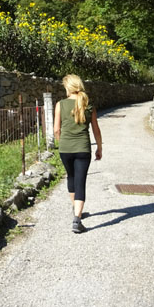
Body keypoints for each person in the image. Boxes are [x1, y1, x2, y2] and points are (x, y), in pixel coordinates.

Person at [53, 74, 102, 233]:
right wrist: (99, 148)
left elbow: (56, 130)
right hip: (83, 149)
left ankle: (76, 209)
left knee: (71, 177)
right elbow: (96, 130)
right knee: (80, 182)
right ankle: (77, 219)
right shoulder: (88, 105)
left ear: (68, 87)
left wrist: (62, 142)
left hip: (65, 149)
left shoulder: (60, 104)